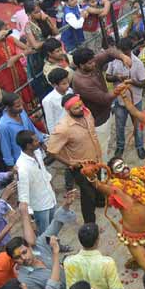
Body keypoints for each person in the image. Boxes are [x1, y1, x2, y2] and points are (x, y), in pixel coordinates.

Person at [46, 94, 104, 224]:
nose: (81, 108)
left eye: (81, 105)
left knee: (98, 185)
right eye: (76, 108)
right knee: (88, 196)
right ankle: (90, 224)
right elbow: (51, 151)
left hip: (96, 161)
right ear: (68, 110)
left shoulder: (87, 113)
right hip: (81, 169)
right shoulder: (63, 128)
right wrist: (70, 163)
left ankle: (101, 202)